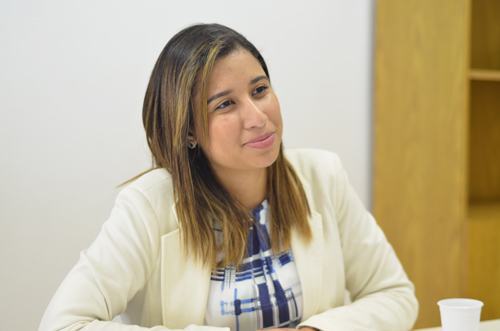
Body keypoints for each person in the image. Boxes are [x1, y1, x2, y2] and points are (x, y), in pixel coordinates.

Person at [39, 23, 418, 331]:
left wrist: (316, 330)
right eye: (225, 104)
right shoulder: (148, 205)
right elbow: (63, 324)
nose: (257, 117)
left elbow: (395, 295)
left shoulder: (322, 176)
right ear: (187, 130)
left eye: (260, 90)